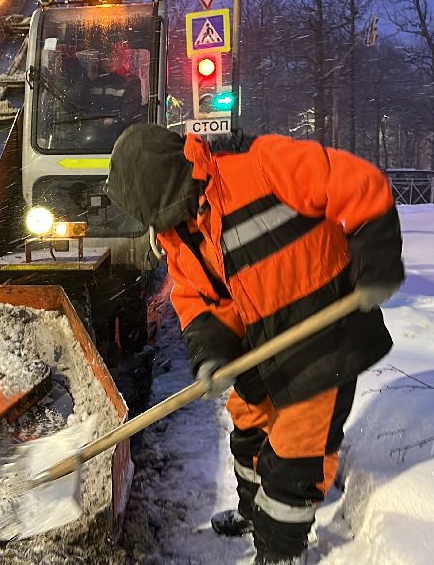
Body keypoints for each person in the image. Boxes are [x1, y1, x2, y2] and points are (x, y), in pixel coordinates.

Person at [104, 125, 405, 565]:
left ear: (179, 179)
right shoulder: (177, 233)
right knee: (248, 425)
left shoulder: (263, 164)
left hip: (326, 335)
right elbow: (198, 300)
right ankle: (253, 511)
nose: (167, 224)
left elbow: (360, 184)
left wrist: (377, 263)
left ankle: (280, 550)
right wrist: (210, 355)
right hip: (262, 343)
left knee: (295, 454)